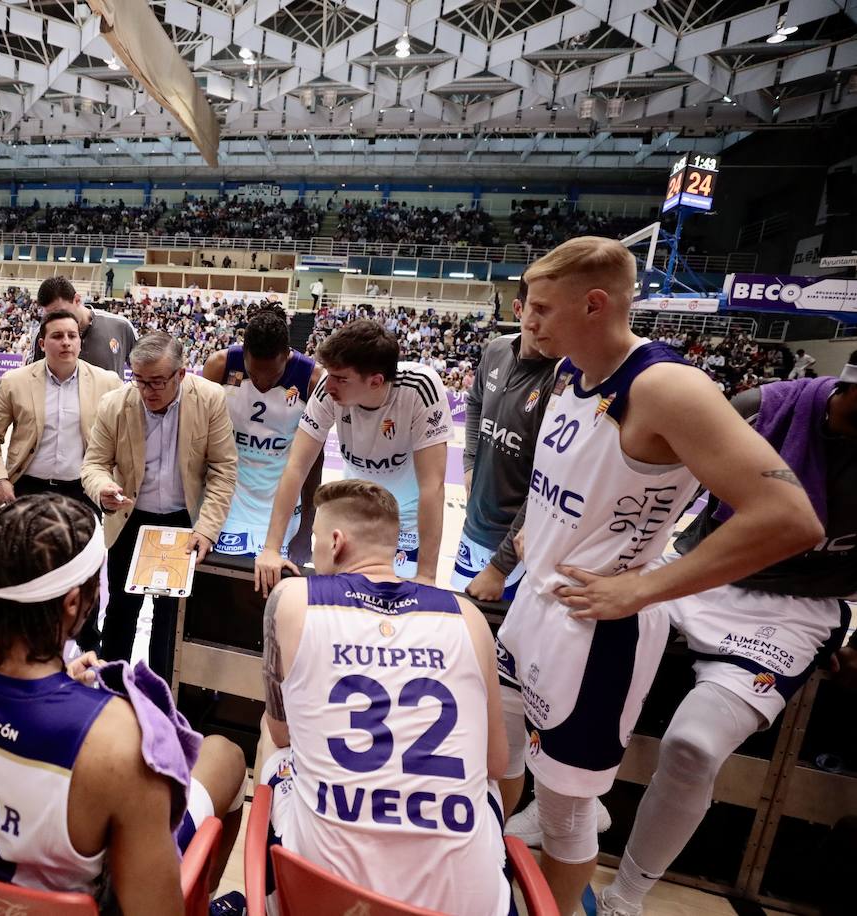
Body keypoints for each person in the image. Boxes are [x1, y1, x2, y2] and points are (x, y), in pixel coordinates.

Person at [494, 236, 822, 913]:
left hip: (596, 629)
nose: (527, 318)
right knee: (498, 755)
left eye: (542, 308)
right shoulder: (569, 370)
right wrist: (539, 533)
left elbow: (790, 518)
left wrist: (644, 587)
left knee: (564, 813)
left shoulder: (667, 386)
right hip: (536, 603)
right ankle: (494, 878)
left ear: (595, 304)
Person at [0, 494, 246, 914]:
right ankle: (207, 900)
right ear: (73, 603)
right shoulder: (115, 741)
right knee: (225, 756)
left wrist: (61, 688)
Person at [597, 356, 857, 916]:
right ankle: (574, 803)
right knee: (566, 643)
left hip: (795, 609)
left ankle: (627, 895)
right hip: (698, 570)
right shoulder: (761, 408)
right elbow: (649, 487)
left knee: (693, 746)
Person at [256, 480, 510, 915]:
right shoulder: (466, 615)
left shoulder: (292, 598)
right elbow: (497, 764)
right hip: (459, 906)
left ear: (336, 542)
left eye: (315, 539)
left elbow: (283, 734)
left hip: (323, 897)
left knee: (272, 734)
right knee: (485, 780)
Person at [81, 332, 237, 679]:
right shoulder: (115, 404)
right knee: (121, 611)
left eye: (157, 382)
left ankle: (162, 692)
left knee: (172, 620)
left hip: (185, 523)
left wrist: (207, 529)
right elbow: (93, 464)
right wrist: (103, 488)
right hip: (129, 519)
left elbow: (223, 469)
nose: (147, 391)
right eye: (139, 380)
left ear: (181, 374)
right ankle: (113, 688)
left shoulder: (209, 398)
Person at [254, 319, 451, 594]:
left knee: (396, 594)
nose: (328, 385)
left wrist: (427, 576)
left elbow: (433, 486)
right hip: (355, 504)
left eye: (341, 379)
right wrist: (271, 548)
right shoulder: (328, 389)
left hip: (406, 514)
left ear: (376, 381)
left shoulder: (420, 388)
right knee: (342, 590)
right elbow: (296, 467)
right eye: (329, 374)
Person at [454, 278, 557, 604]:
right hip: (474, 526)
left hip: (516, 546)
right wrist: (470, 461)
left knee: (499, 630)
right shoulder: (497, 349)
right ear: (518, 308)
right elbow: (474, 402)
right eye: (540, 309)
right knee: (462, 619)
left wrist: (501, 566)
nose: (549, 325)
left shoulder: (564, 379)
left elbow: (551, 484)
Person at [201, 304, 323, 559]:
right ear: (243, 353)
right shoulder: (220, 366)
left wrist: (306, 529)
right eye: (254, 375)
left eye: (274, 376)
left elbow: (314, 462)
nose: (263, 384)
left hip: (282, 504)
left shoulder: (312, 379)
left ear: (287, 355)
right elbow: (200, 440)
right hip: (228, 498)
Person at [0, 309, 122, 508]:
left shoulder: (107, 382)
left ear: (80, 342)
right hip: (26, 488)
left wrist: (109, 482)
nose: (66, 342)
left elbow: (123, 438)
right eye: (57, 336)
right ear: (42, 344)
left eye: (72, 336)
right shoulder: (15, 381)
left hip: (84, 490)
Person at [30, 276, 137, 373]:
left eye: (61, 313)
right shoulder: (43, 334)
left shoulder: (121, 326)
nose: (57, 321)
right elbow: (31, 378)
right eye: (50, 316)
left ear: (77, 300)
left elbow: (144, 366)